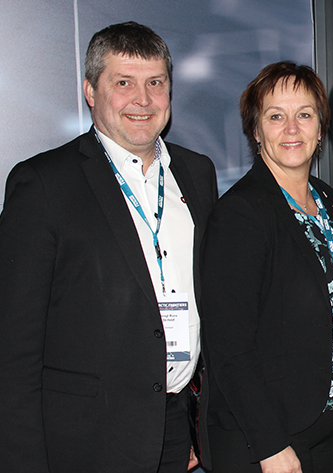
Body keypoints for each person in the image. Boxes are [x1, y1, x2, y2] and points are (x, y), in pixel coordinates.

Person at [0, 21, 218, 473]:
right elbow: (13, 352)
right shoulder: (43, 184)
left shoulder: (197, 174)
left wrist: (196, 424)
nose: (143, 99)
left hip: (175, 429)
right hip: (85, 442)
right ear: (90, 91)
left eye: (155, 83)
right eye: (124, 83)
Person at [199, 61, 333, 473]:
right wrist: (270, 445)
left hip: (329, 426)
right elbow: (229, 345)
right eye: (276, 116)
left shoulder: (327, 200)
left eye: (304, 115)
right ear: (256, 132)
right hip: (271, 439)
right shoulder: (240, 213)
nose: (292, 128)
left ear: (321, 128)